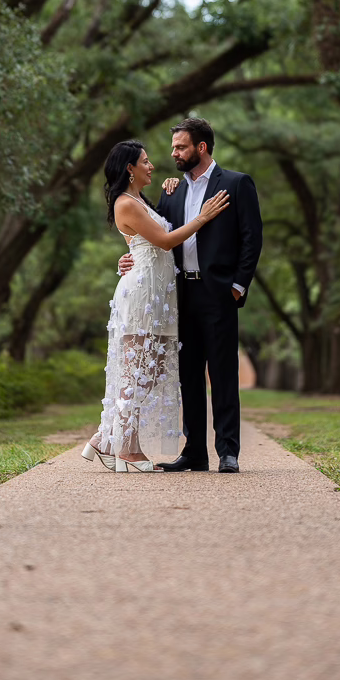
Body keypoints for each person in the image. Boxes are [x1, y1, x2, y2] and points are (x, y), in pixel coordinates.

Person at [119, 117, 263, 473]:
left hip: (219, 294)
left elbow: (252, 238)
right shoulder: (171, 191)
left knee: (224, 373)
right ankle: (195, 451)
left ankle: (228, 452)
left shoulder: (236, 183)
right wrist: (129, 259)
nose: (174, 154)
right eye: (172, 148)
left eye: (180, 147)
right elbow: (157, 237)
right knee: (189, 374)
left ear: (201, 147)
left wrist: (237, 286)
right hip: (180, 296)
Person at [82, 138, 229, 473]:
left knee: (151, 370)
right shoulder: (125, 202)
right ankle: (126, 447)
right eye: (145, 161)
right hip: (142, 296)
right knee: (136, 370)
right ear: (130, 168)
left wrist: (172, 190)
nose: (152, 166)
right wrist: (202, 217)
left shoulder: (138, 199)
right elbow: (163, 241)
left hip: (158, 296)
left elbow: (152, 234)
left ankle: (106, 439)